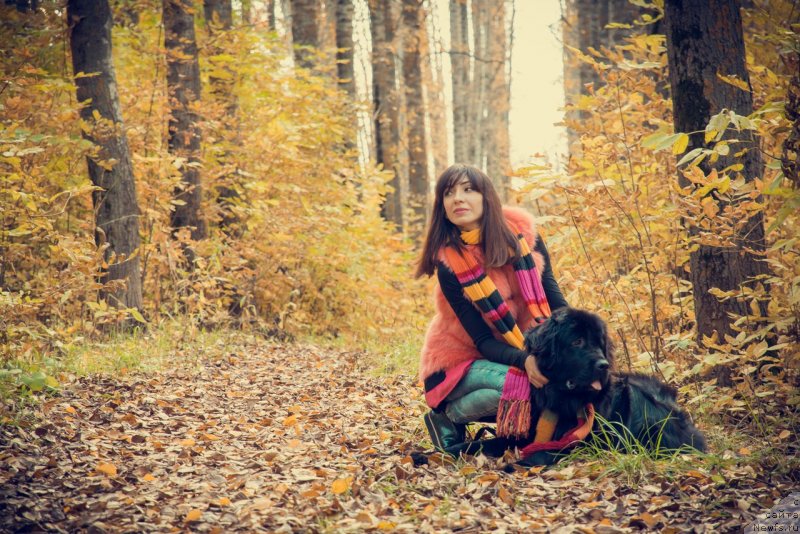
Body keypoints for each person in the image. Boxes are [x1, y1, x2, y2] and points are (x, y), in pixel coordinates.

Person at [416, 164, 568, 451]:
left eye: (468, 189)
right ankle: (448, 418)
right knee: (519, 386)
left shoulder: (524, 237)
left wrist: (576, 345)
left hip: (511, 350)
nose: (458, 199)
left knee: (550, 383)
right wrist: (525, 360)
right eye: (449, 193)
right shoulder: (450, 265)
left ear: (487, 197)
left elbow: (555, 301)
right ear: (442, 207)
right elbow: (484, 342)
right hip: (457, 364)